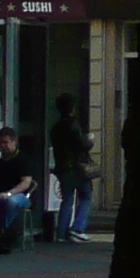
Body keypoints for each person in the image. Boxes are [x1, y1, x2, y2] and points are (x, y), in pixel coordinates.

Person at [50, 98, 94, 243]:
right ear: (72, 108)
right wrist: (89, 140)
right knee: (86, 197)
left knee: (67, 200)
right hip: (77, 168)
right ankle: (77, 228)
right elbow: (81, 146)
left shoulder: (55, 127)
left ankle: (61, 233)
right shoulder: (73, 125)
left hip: (62, 167)